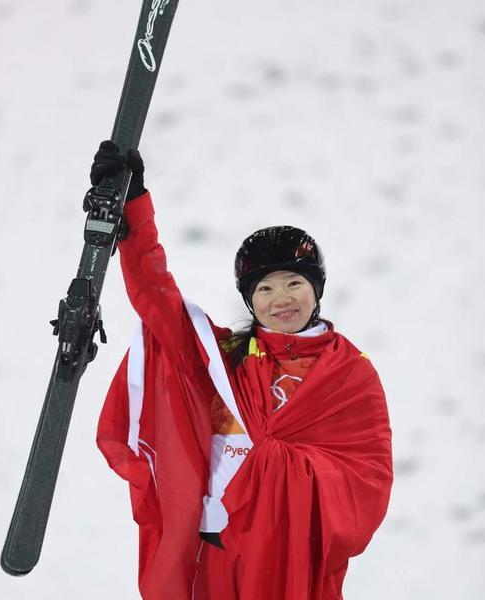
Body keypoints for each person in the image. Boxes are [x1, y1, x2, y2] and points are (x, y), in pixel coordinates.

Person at [94, 141, 393, 600]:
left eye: (295, 282)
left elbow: (366, 480)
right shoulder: (222, 357)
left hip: (292, 558)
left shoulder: (350, 373)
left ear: (317, 291)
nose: (282, 298)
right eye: (266, 288)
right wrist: (134, 208)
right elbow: (158, 299)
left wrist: (276, 474)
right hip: (217, 552)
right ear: (250, 300)